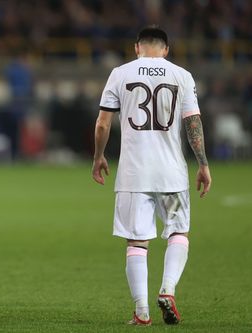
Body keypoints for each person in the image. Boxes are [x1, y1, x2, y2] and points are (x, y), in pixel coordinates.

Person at [92, 26, 212, 326]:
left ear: (137, 47)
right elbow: (193, 123)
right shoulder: (181, 75)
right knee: (177, 233)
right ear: (166, 49)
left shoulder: (120, 73)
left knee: (137, 242)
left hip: (134, 173)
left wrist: (98, 156)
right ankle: (168, 290)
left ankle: (142, 311)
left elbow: (103, 124)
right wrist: (203, 164)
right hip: (171, 173)